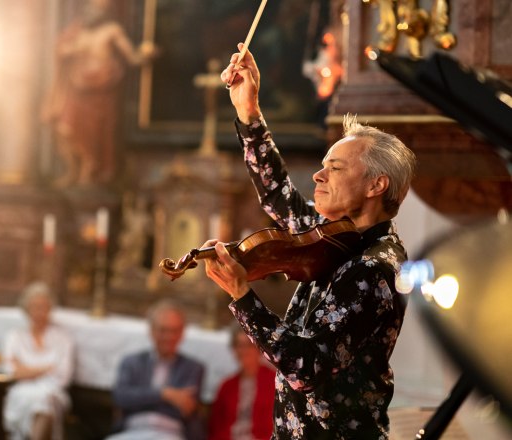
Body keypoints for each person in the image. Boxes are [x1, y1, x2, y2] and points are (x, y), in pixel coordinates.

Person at [202, 44, 417, 438]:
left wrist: (241, 294)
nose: (318, 177)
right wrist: (249, 113)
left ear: (376, 184)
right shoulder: (335, 237)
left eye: (334, 168)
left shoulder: (374, 267)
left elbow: (304, 368)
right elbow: (278, 196)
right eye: (321, 166)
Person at [42, 0, 156, 186]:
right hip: (77, 87)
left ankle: (89, 171)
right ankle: (72, 169)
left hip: (101, 91)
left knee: (94, 136)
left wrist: (145, 55)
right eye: (91, 6)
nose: (93, 11)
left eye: (99, 7)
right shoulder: (79, 32)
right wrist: (70, 49)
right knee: (64, 129)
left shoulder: (112, 30)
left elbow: (131, 57)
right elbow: (61, 50)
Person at [108, 299, 205, 440]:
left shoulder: (193, 368)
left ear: (182, 333)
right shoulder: (131, 362)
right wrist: (166, 394)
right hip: (132, 431)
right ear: (152, 330)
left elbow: (186, 408)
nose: (169, 337)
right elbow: (121, 397)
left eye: (174, 331)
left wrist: (141, 397)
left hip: (170, 433)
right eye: (163, 330)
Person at [1, 281, 75, 440]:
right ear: (26, 309)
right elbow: (12, 372)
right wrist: (47, 368)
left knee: (44, 402)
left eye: (43, 306)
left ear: (50, 308)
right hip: (21, 393)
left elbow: (63, 376)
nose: (39, 312)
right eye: (34, 306)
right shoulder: (15, 337)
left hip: (52, 391)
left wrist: (26, 369)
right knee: (31, 399)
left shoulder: (62, 338)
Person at [208, 327, 275, 440]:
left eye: (249, 345)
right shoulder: (226, 386)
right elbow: (215, 428)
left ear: (259, 348)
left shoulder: (275, 382)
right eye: (239, 345)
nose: (244, 350)